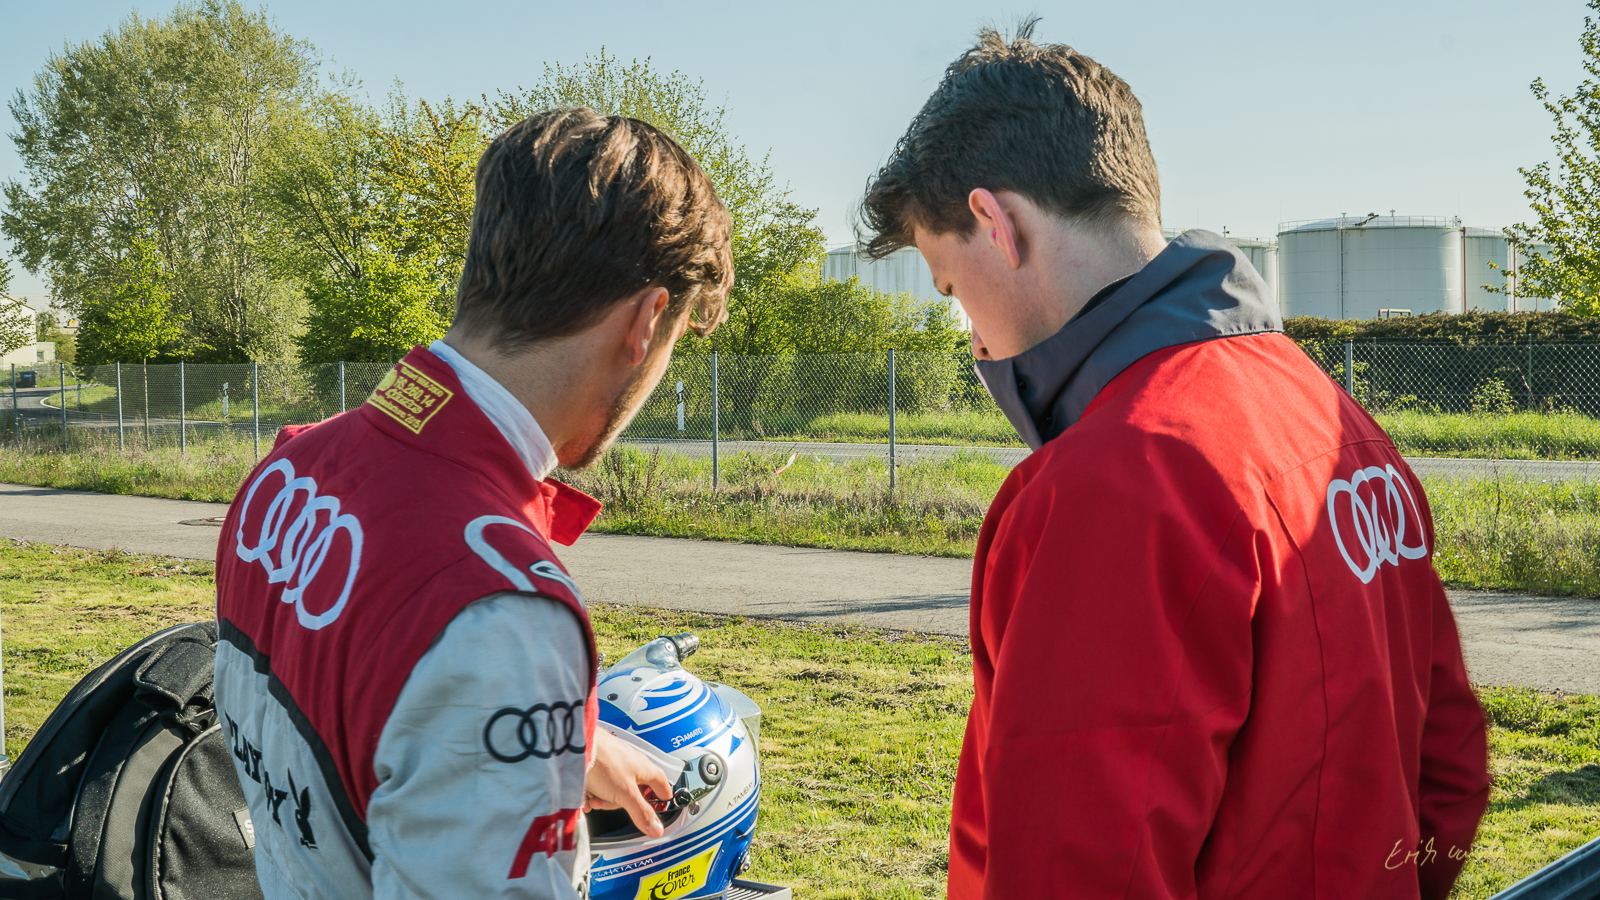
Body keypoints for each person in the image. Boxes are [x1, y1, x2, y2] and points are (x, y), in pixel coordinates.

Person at [859, 22, 1491, 900]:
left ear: (996, 225)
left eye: (951, 286)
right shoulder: (1338, 421)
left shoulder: (1114, 483)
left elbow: (1077, 871)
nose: (973, 337)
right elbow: (1448, 768)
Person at [214, 108, 732, 899]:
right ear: (647, 320)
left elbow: (358, 709)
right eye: (672, 344)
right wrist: (516, 709)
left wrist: (555, 744)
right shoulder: (500, 612)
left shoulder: (288, 471)